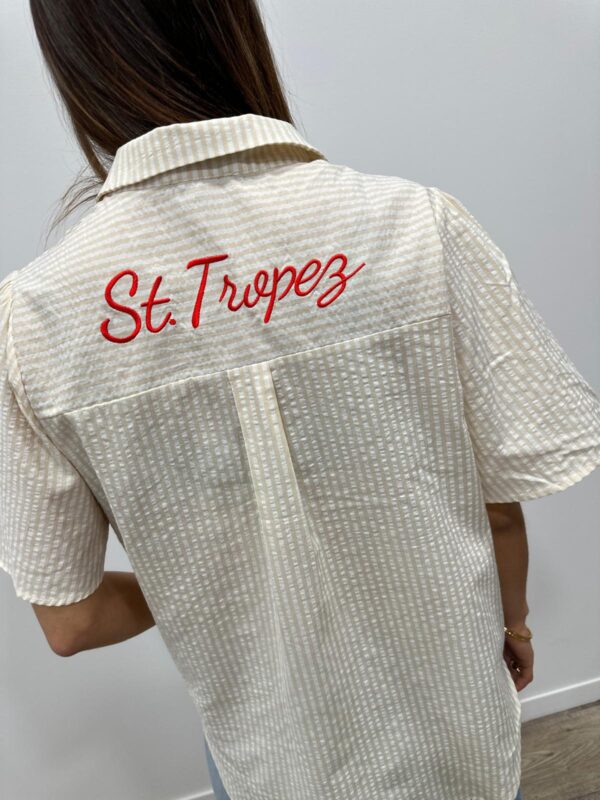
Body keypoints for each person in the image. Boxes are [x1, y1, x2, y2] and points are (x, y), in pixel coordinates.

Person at [1, 1, 599, 798]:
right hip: (454, 729)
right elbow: (497, 508)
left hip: (271, 761)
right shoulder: (411, 225)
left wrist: (206, 582)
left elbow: (72, 621)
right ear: (234, 29)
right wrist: (513, 621)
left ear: (74, 66)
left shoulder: (40, 317)